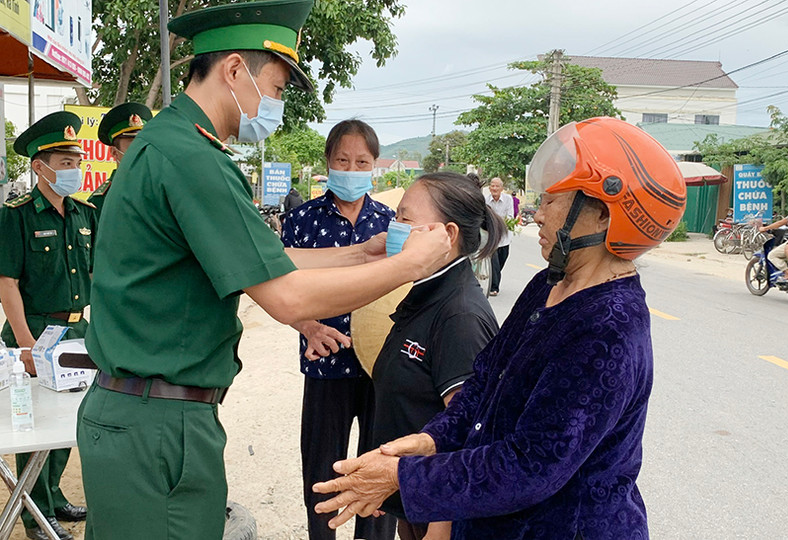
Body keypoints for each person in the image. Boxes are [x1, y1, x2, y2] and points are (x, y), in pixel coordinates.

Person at [76, 2, 451, 539]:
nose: (275, 105)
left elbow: (261, 261)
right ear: (233, 71)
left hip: (147, 414)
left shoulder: (171, 144)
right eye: (275, 89)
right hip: (156, 421)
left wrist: (363, 253)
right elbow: (288, 297)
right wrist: (409, 264)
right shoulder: (192, 160)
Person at [311, 117, 688, 540]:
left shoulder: (608, 325)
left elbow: (532, 464)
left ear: (601, 215)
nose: (537, 215)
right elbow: (485, 385)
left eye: (551, 203)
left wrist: (407, 477)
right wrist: (431, 440)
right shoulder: (550, 283)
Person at [281, 119, 398, 540]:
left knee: (379, 475)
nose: (351, 169)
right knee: (322, 473)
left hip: (378, 371)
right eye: (342, 161)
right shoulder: (301, 221)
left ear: (374, 167)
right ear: (328, 163)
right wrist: (308, 326)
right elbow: (279, 289)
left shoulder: (390, 225)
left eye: (361, 162)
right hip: (325, 368)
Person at [370, 172, 503, 540]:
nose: (394, 227)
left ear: (448, 235)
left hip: (436, 516)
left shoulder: (459, 315)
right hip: (414, 503)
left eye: (406, 219)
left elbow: (468, 430)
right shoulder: (428, 293)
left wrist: (442, 526)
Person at [0, 111, 95, 540]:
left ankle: (53, 496)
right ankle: (34, 513)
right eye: (64, 163)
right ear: (39, 167)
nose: (73, 170)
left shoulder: (84, 212)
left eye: (76, 162)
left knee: (67, 423)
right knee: (34, 427)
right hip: (35, 331)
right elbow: (7, 283)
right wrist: (26, 346)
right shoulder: (17, 215)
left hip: (77, 333)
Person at [87, 102, 153, 214]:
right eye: (133, 146)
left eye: (144, 145)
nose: (141, 151)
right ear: (114, 152)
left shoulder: (159, 191)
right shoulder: (100, 201)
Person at [484, 177, 513, 296]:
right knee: (493, 261)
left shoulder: (508, 199)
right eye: (492, 186)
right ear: (489, 187)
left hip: (504, 237)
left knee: (502, 260)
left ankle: (494, 277)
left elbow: (510, 216)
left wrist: (501, 223)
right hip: (492, 237)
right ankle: (494, 287)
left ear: (502, 188)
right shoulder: (485, 201)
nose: (494, 188)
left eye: (497, 186)